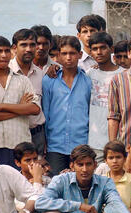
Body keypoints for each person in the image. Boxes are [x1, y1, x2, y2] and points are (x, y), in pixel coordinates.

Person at [0, 36, 41, 168]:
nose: (4, 55)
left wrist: (0, 107)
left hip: (20, 146)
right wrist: (20, 108)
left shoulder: (22, 80)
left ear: (12, 53)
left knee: (20, 186)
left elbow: (34, 109)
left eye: (6, 51)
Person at [42, 36, 91, 175]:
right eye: (64, 53)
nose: (68, 57)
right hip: (55, 144)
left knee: (80, 185)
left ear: (80, 55)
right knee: (55, 184)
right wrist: (45, 141)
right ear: (58, 56)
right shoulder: (49, 80)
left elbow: (89, 112)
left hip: (81, 143)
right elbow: (46, 112)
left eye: (72, 53)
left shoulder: (88, 81)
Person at [87, 32, 124, 162]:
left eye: (103, 48)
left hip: (118, 141)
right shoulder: (89, 74)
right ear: (90, 52)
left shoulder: (123, 75)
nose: (99, 52)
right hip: (94, 142)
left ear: (111, 49)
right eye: (95, 49)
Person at [9, 29, 46, 157]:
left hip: (37, 135)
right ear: (14, 48)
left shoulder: (41, 74)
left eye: (32, 45)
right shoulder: (6, 72)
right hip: (13, 132)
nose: (29, 49)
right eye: (24, 45)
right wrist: (22, 107)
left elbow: (41, 108)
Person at [102, 140, 131, 213]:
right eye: (111, 158)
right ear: (105, 160)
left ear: (125, 158)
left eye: (118, 157)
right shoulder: (101, 179)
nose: (115, 161)